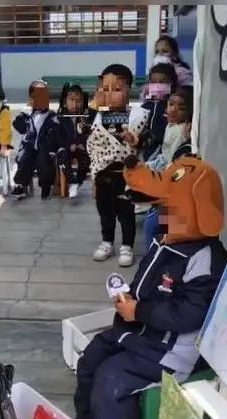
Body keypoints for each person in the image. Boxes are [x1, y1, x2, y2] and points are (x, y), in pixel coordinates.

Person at [74, 154, 227, 419]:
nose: (164, 215)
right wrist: (128, 297)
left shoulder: (206, 257)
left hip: (170, 350)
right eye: (163, 208)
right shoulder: (164, 241)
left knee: (111, 380)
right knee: (92, 357)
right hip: (139, 333)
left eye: (172, 208)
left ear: (199, 210)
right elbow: (146, 283)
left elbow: (190, 314)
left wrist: (139, 312)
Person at [86, 64, 147, 267]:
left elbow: (146, 139)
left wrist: (134, 139)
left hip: (126, 174)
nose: (111, 95)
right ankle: (107, 242)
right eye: (106, 89)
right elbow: (87, 135)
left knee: (126, 212)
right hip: (104, 173)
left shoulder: (137, 115)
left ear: (129, 90)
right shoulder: (98, 115)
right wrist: (93, 106)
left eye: (117, 89)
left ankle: (127, 246)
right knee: (105, 211)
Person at [143, 87, 194, 249]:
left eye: (182, 108)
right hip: (164, 171)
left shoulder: (184, 130)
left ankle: (159, 257)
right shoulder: (168, 125)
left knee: (158, 226)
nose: (174, 109)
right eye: (171, 104)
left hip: (173, 181)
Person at [9, 80, 60, 200]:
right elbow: (20, 128)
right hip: (29, 145)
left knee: (44, 160)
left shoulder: (51, 115)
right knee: (23, 158)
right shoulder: (27, 114)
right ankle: (21, 185)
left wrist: (53, 148)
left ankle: (46, 186)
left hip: (44, 146)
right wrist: (24, 114)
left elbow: (55, 133)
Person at [56, 83, 91, 199]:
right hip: (66, 148)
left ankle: (77, 182)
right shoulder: (59, 117)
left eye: (79, 101)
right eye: (71, 100)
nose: (75, 104)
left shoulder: (85, 117)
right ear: (65, 101)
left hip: (81, 147)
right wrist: (69, 145)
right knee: (62, 156)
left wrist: (81, 143)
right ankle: (72, 182)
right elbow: (58, 136)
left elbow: (88, 134)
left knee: (86, 159)